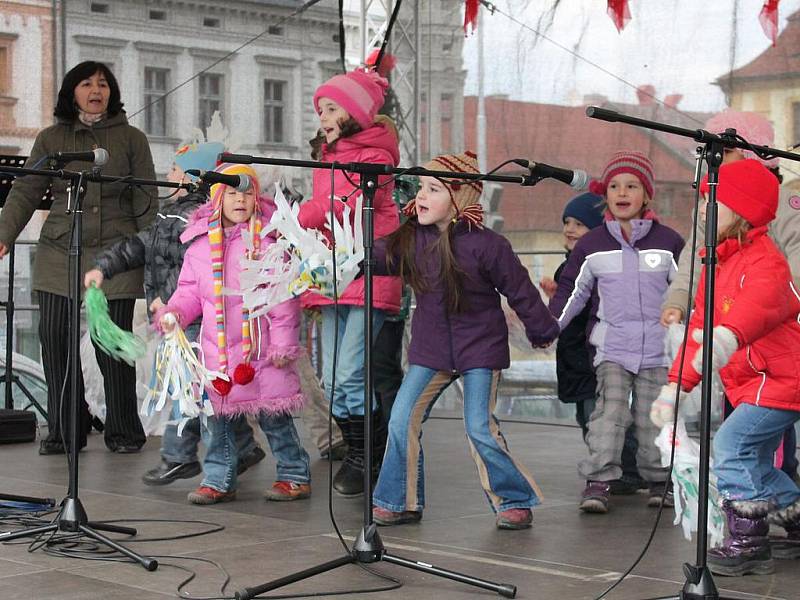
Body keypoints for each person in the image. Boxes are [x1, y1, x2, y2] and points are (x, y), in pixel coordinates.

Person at [370, 151, 559, 531]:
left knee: (478, 426)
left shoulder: (487, 245)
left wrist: (541, 330)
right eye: (421, 187)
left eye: (434, 189)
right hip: (431, 350)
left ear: (461, 199)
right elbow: (377, 255)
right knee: (401, 418)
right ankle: (398, 499)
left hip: (480, 351)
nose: (421, 196)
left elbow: (520, 291)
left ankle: (513, 499)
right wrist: (339, 257)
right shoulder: (411, 239)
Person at [82, 142, 265, 485]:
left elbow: (191, 272)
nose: (168, 175)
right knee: (205, 390)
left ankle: (179, 455)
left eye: (175, 170)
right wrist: (104, 268)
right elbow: (143, 246)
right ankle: (244, 446)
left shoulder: (194, 219)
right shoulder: (173, 214)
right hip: (179, 316)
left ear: (195, 177)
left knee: (190, 390)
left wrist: (165, 301)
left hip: (195, 320)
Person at [650, 158, 800, 577]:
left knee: (732, 448)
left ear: (743, 212)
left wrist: (726, 337)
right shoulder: (716, 264)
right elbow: (699, 327)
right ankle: (795, 517)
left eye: (711, 202)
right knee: (751, 460)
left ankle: (749, 542)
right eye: (702, 202)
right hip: (753, 382)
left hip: (782, 380)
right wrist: (677, 386)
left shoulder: (765, 261)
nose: (702, 211)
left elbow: (758, 310)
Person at [0, 61, 157, 454]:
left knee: (111, 342)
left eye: (103, 84)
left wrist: (151, 250)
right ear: (72, 91)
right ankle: (66, 428)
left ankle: (123, 431)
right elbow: (26, 191)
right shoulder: (51, 137)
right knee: (54, 339)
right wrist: (3, 234)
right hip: (59, 248)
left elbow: (147, 202)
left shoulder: (132, 139)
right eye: (87, 83)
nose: (96, 90)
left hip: (117, 254)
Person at [660, 109, 800, 484]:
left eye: (724, 150)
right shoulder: (716, 209)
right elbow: (694, 256)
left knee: (749, 443)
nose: (712, 157)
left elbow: (787, 273)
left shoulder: (782, 207)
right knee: (741, 442)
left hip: (769, 347)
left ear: (751, 152)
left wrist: (766, 303)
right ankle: (769, 504)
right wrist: (678, 298)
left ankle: (754, 513)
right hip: (736, 355)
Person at [158, 164, 310, 505]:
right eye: (231, 193)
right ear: (216, 200)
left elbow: (283, 300)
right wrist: (174, 313)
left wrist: (284, 344)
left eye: (247, 192)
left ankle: (294, 474)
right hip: (219, 355)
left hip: (262, 352)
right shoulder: (198, 248)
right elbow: (188, 292)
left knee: (274, 416)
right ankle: (218, 479)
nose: (240, 199)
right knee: (218, 422)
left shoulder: (268, 244)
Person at [549, 151, 684, 513]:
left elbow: (688, 288)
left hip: (657, 349)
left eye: (632, 185)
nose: (622, 192)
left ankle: (659, 479)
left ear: (647, 195)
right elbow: (572, 292)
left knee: (651, 417)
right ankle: (599, 480)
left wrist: (690, 326)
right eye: (614, 186)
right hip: (611, 347)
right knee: (609, 415)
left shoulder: (668, 242)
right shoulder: (593, 245)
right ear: (605, 194)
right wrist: (548, 327)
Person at [297, 68, 402, 496]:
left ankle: (368, 457)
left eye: (332, 107)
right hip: (333, 274)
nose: (323, 116)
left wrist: (300, 215)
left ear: (356, 112)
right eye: (320, 108)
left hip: (367, 274)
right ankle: (364, 453)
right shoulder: (329, 155)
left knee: (350, 376)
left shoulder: (374, 156)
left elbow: (346, 203)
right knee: (336, 380)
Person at [540, 192, 644, 495]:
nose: (569, 229)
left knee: (598, 417)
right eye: (567, 223)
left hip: (594, 355)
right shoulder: (567, 266)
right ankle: (623, 468)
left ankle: (624, 469)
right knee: (587, 417)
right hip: (575, 357)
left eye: (579, 225)